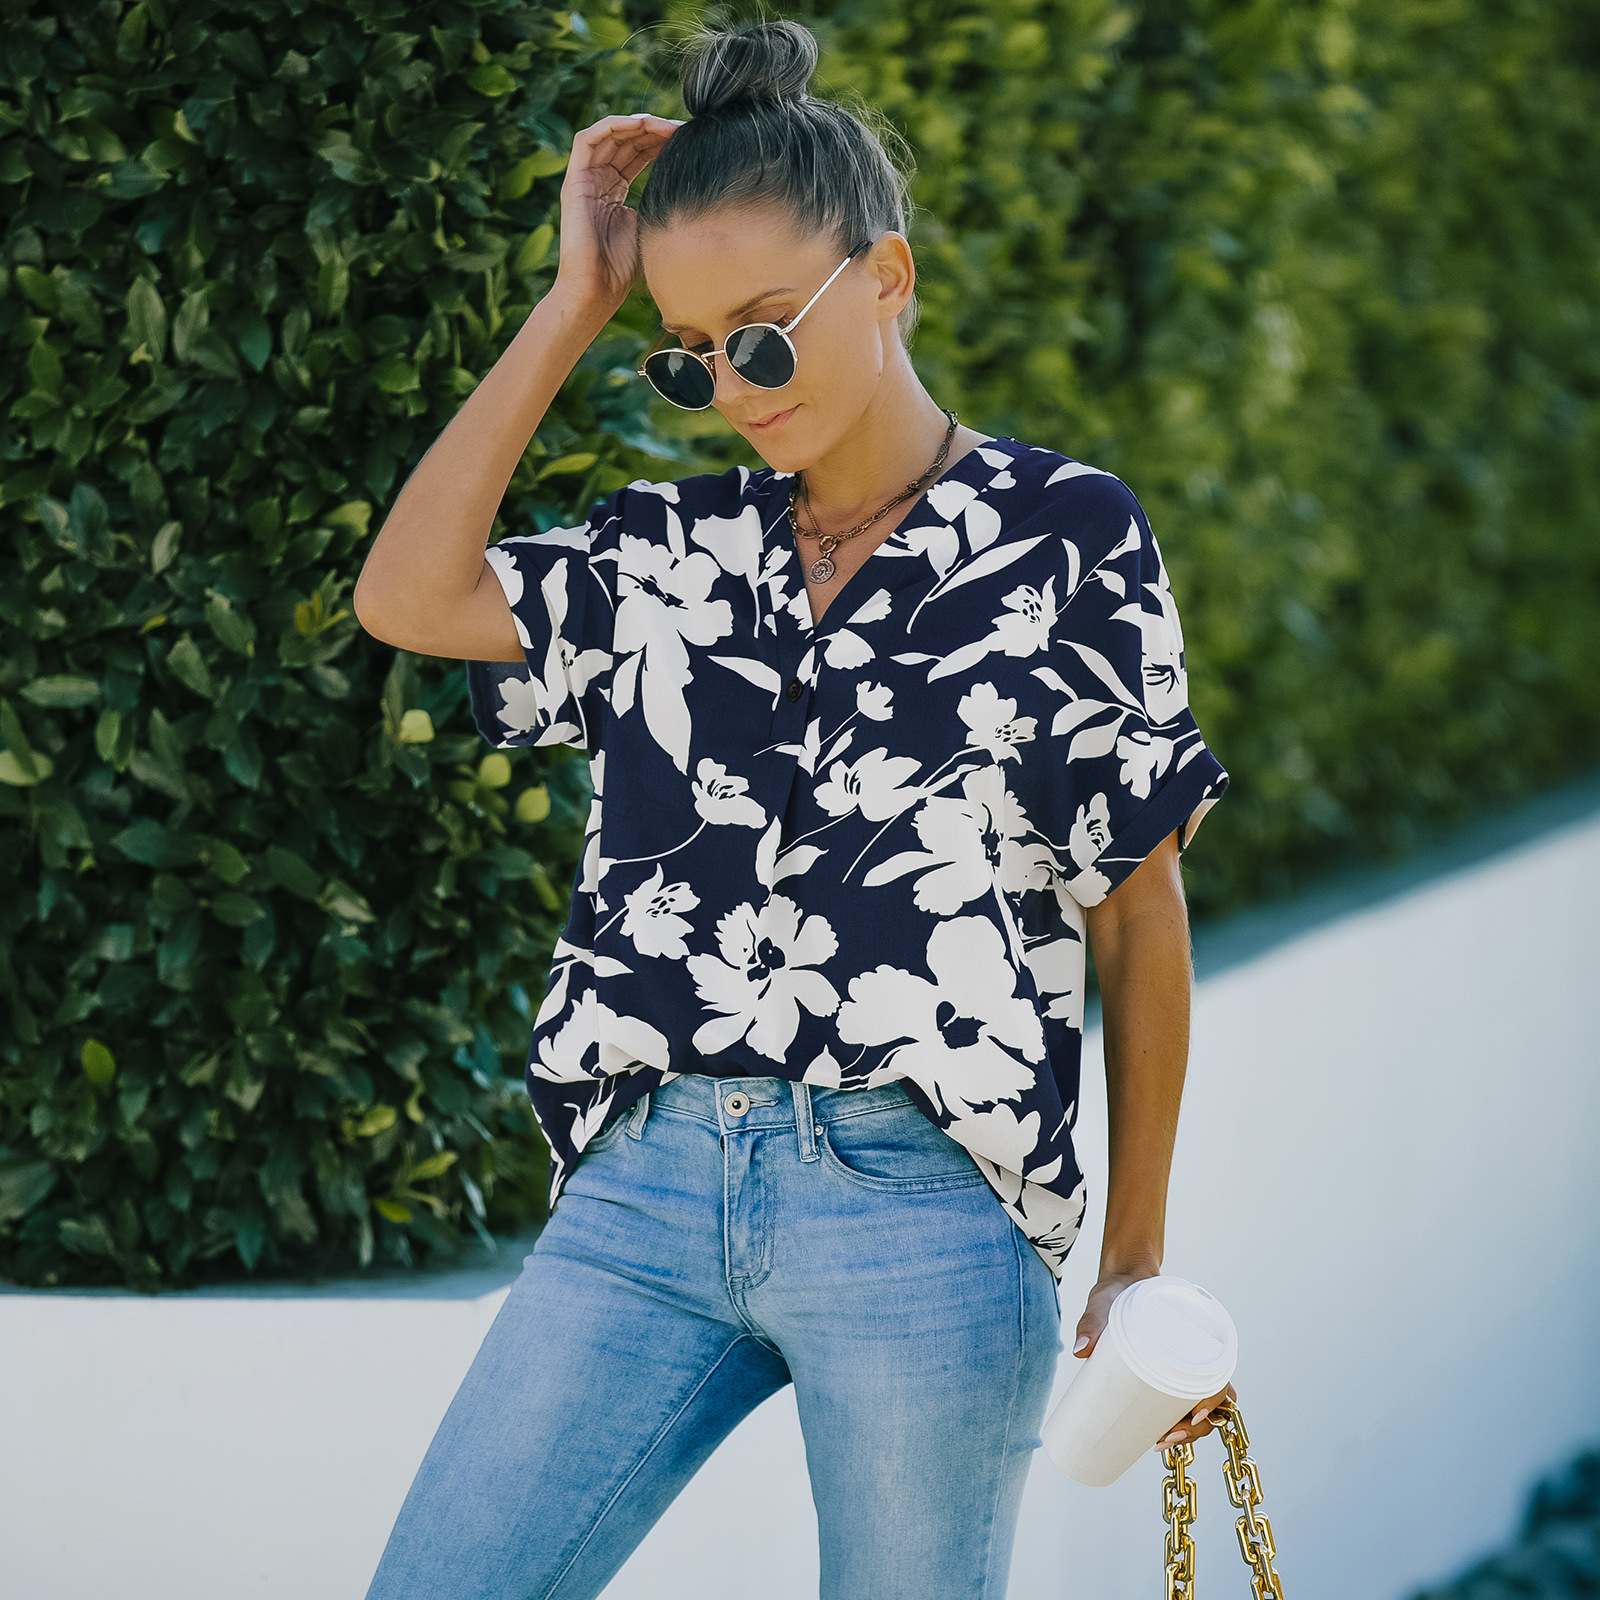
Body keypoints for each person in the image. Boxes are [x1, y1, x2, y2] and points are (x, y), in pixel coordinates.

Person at [353, 19, 1232, 1600]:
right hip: (647, 1179)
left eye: (766, 335)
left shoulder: (1065, 538)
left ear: (886, 280)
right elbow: (410, 595)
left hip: (923, 1206)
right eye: (688, 357)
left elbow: (1137, 901)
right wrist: (576, 306)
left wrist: (1135, 1251)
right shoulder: (670, 552)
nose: (731, 386)